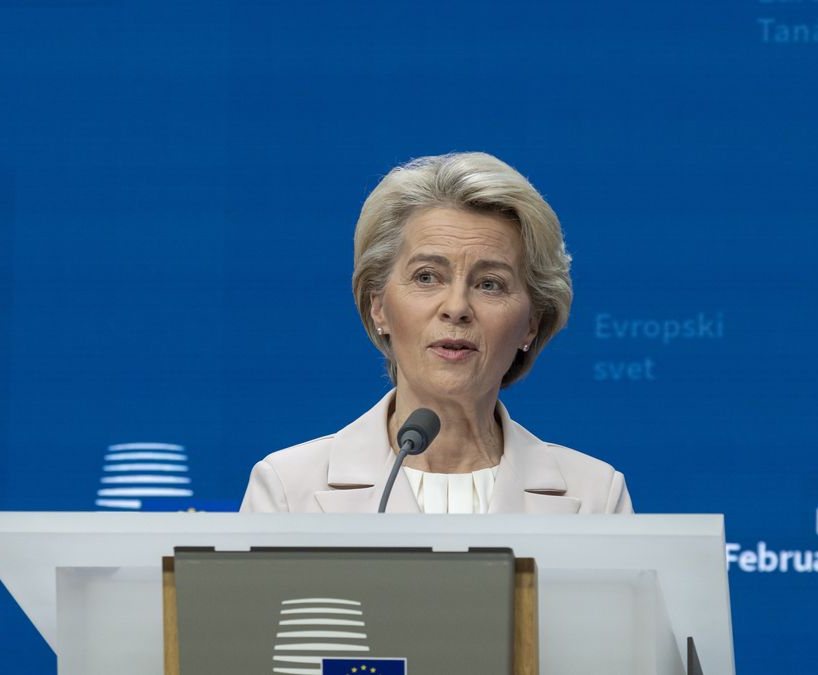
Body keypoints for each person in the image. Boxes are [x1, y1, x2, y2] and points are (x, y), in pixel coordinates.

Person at [240, 152, 632, 514]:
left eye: (490, 284)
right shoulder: (288, 490)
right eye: (427, 277)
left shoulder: (597, 495)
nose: (457, 308)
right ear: (379, 307)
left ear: (531, 322)